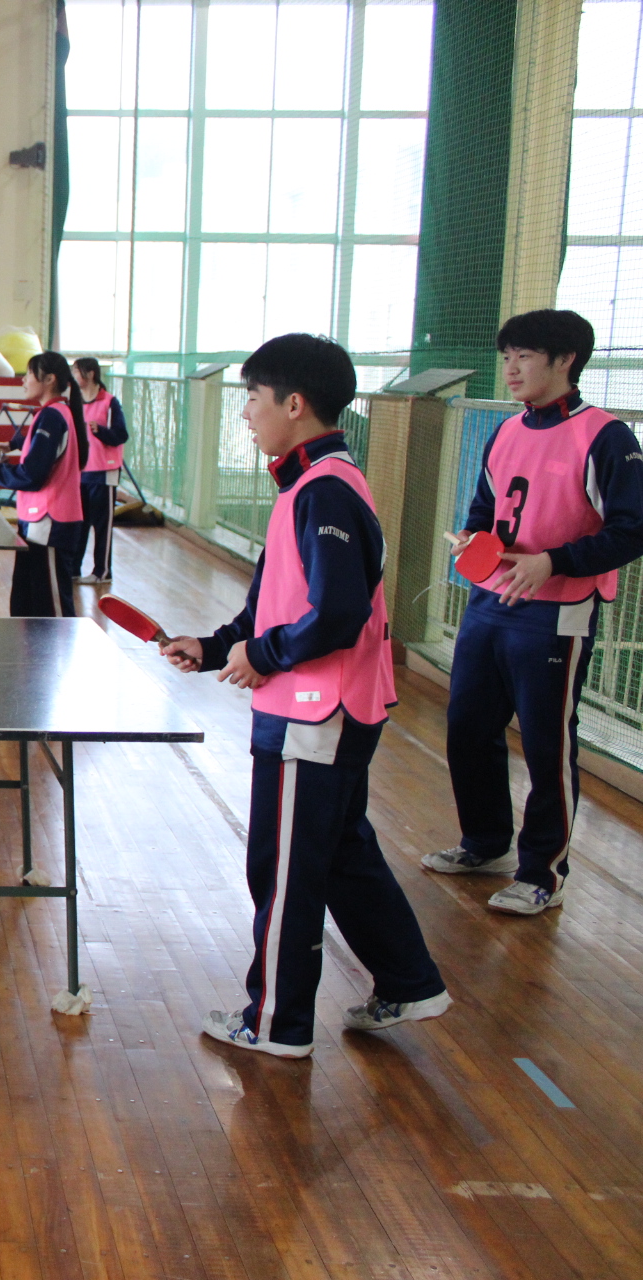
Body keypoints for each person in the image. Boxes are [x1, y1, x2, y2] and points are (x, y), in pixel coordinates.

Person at [159, 333, 447, 1058]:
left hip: (316, 715)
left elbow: (338, 613)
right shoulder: (306, 485)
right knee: (342, 853)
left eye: (253, 398)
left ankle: (276, 1024)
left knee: (283, 871)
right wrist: (218, 646)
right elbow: (274, 601)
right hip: (320, 710)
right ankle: (409, 981)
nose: (245, 414)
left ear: (294, 404)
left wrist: (263, 655)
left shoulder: (325, 490)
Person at [427, 309, 643, 915]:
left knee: (547, 745)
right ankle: (484, 844)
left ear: (565, 360)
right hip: (489, 603)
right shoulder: (506, 431)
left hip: (558, 613)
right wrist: (472, 540)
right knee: (468, 727)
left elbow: (633, 529)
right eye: (506, 356)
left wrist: (555, 562)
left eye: (523, 356)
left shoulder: (606, 436)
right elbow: (484, 510)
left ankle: (543, 874)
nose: (511, 368)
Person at [0, 351, 89, 617]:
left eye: (30, 373)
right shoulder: (51, 414)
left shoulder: (53, 416)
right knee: (26, 602)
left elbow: (32, 475)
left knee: (51, 610)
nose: (23, 379)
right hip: (37, 522)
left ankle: (59, 647)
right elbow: (36, 452)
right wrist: (5, 454)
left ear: (50, 379)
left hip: (50, 524)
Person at [73, 357, 129, 585]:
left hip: (104, 473)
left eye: (77, 372)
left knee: (102, 526)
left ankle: (102, 572)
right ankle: (73, 570)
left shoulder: (110, 402)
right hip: (81, 472)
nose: (74, 377)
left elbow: (121, 435)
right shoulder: (75, 402)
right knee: (80, 524)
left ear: (90, 374)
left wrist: (101, 432)